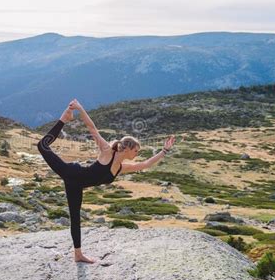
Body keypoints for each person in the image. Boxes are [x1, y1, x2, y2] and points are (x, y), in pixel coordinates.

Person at [37, 99, 176, 263]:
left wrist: (164, 150)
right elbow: (92, 128)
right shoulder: (107, 151)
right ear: (129, 148)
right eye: (136, 151)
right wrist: (80, 109)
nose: (137, 154)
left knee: (75, 218)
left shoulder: (120, 168)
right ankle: (63, 120)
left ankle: (78, 254)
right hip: (70, 172)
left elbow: (145, 164)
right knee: (42, 145)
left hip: (76, 185)